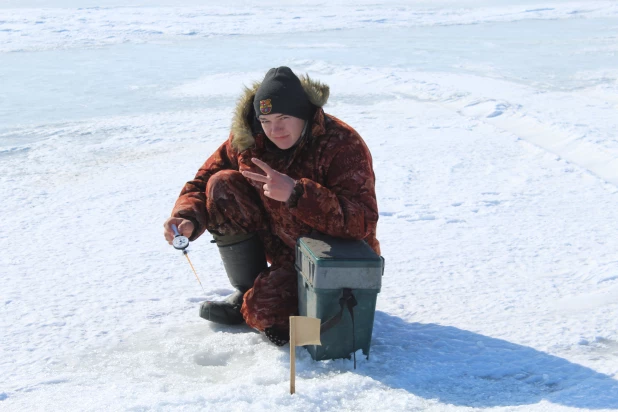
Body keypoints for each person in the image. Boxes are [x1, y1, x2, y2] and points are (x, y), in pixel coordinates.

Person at [163, 66, 380, 346]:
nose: (274, 129)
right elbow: (201, 181)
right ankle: (247, 290)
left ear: (303, 113)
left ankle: (290, 303)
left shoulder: (341, 144)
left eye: (284, 117)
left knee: (263, 313)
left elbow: (361, 222)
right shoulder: (249, 140)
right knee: (221, 183)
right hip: (278, 243)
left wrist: (297, 194)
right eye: (265, 120)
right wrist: (187, 218)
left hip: (329, 256)